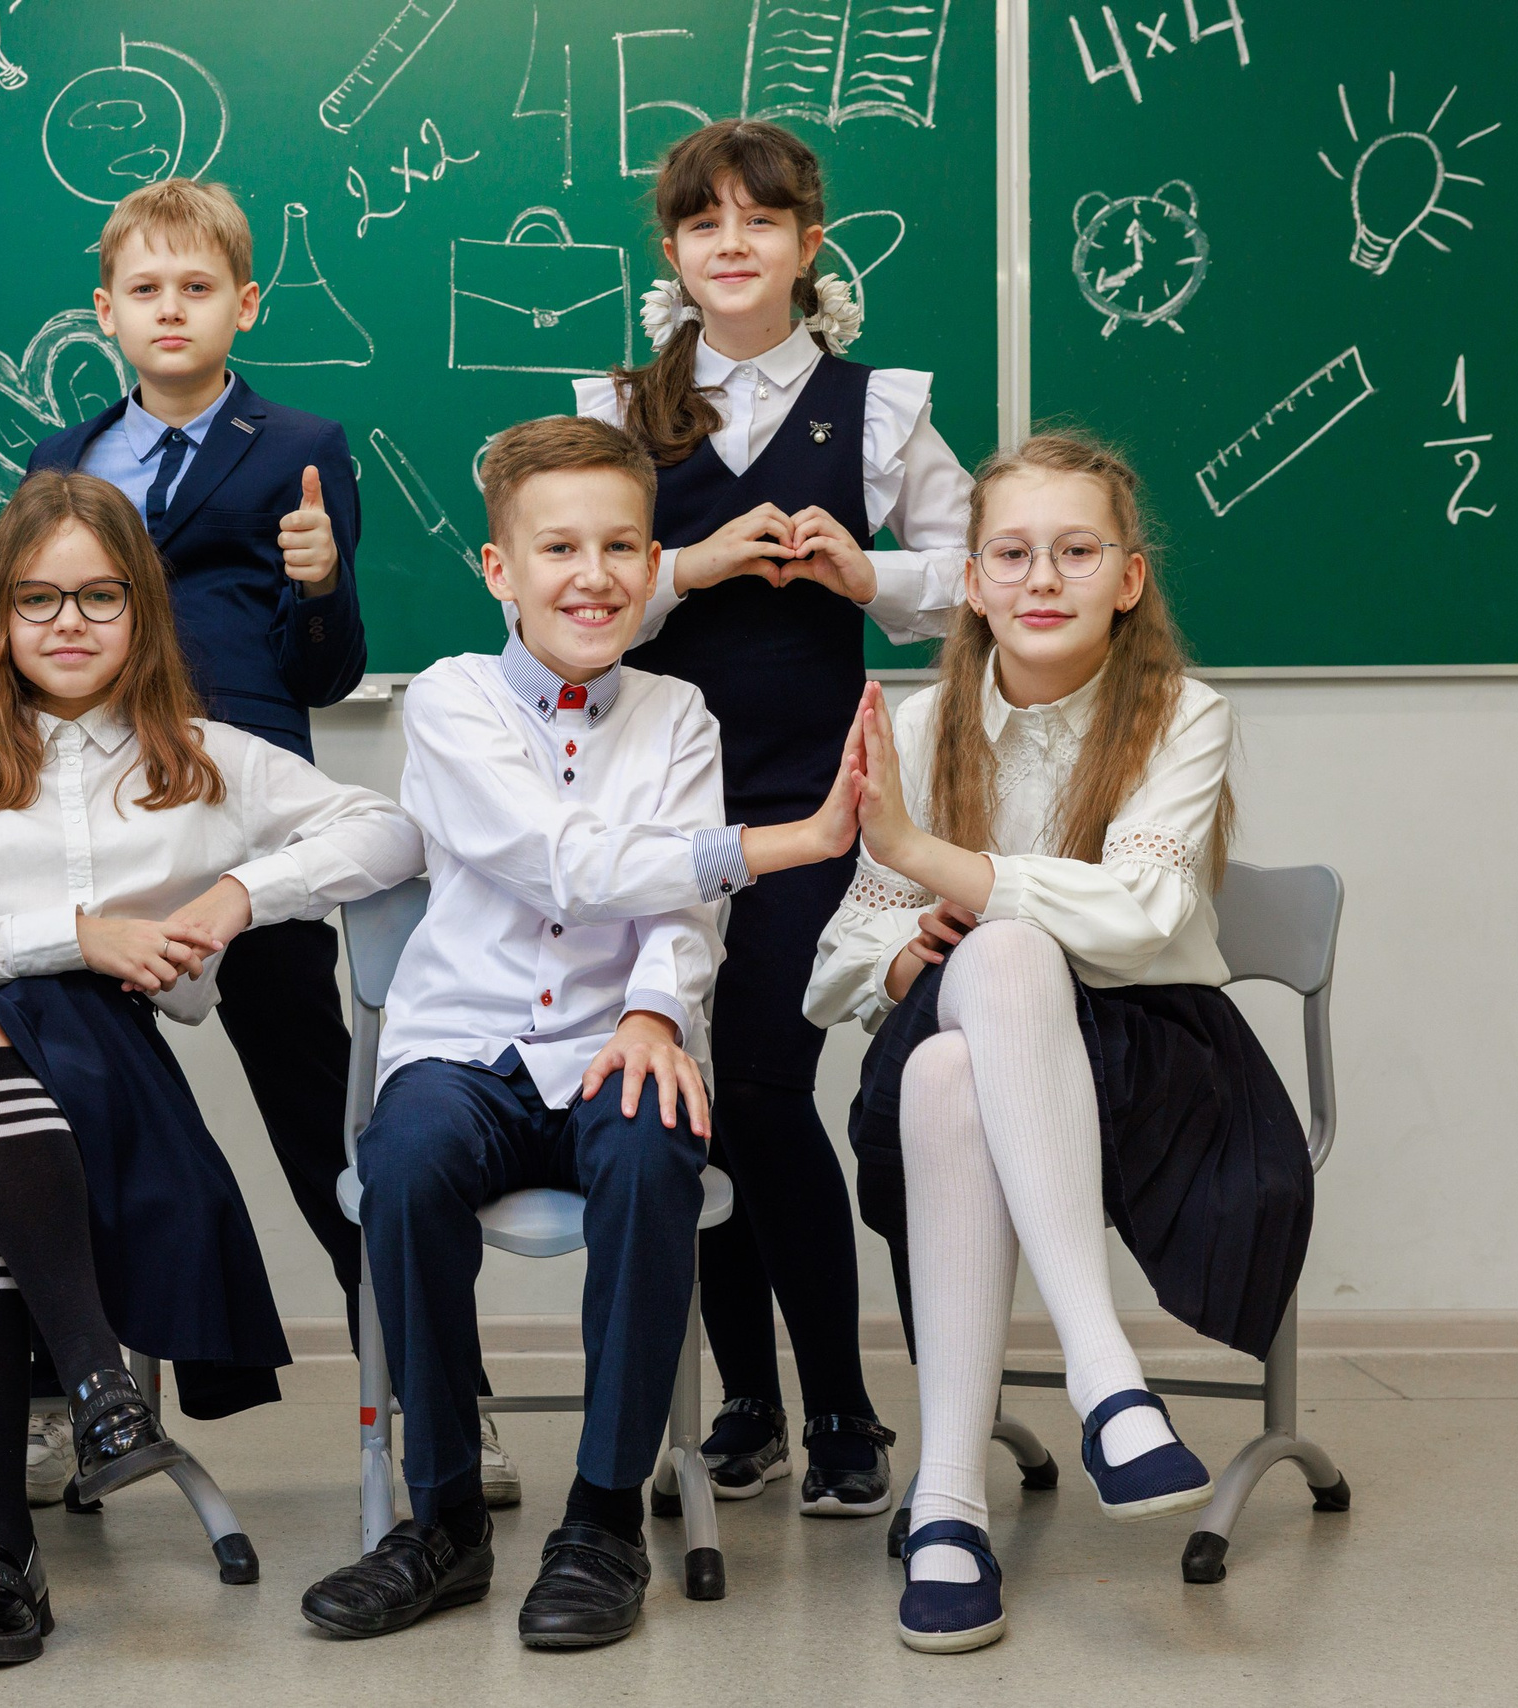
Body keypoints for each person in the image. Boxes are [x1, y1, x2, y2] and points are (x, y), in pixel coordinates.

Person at [0, 470, 422, 1664]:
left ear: (141, 612)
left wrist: (237, 893)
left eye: (99, 597)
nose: (67, 622)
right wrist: (76, 936)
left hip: (112, 1100)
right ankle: (100, 1390)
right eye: (37, 599)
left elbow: (388, 831)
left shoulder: (209, 758)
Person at [300, 417, 865, 1650]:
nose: (592, 574)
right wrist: (769, 845)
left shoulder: (678, 715)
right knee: (402, 1163)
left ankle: (604, 1518)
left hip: (618, 1041)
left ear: (652, 557)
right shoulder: (448, 702)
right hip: (466, 1048)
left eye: (620, 545)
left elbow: (679, 909)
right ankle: (443, 1516)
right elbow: (563, 864)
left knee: (656, 1147)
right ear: (500, 570)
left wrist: (660, 1007)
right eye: (557, 547)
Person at [22, 176, 525, 1504]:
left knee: (327, 1121)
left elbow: (325, 672)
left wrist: (322, 581)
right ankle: (55, 1387)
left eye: (197, 288)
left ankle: (444, 1394)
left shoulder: (303, 443)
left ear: (243, 303)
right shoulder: (58, 465)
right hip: (95, 822)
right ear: (106, 313)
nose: (171, 309)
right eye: (146, 290)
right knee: (57, 1105)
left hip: (247, 818)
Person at [807, 431, 1314, 1653]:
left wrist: (943, 867)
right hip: (975, 1044)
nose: (1043, 578)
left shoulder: (1179, 713)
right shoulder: (921, 724)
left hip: (1149, 1059)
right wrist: (900, 950)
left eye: (1076, 552)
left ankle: (945, 1509)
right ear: (970, 581)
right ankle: (1106, 1379)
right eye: (1013, 553)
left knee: (967, 1024)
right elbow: (838, 961)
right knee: (978, 978)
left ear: (1127, 578)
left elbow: (1143, 918)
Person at [574, 118, 973, 1516]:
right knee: (686, 1091)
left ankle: (848, 1412)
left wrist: (869, 577)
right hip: (655, 808)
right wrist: (686, 562)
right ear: (673, 252)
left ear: (811, 244)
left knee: (751, 1080)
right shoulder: (622, 409)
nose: (731, 243)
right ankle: (748, 1396)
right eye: (702, 223)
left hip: (819, 804)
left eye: (761, 219)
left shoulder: (883, 408)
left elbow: (982, 570)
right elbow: (574, 599)